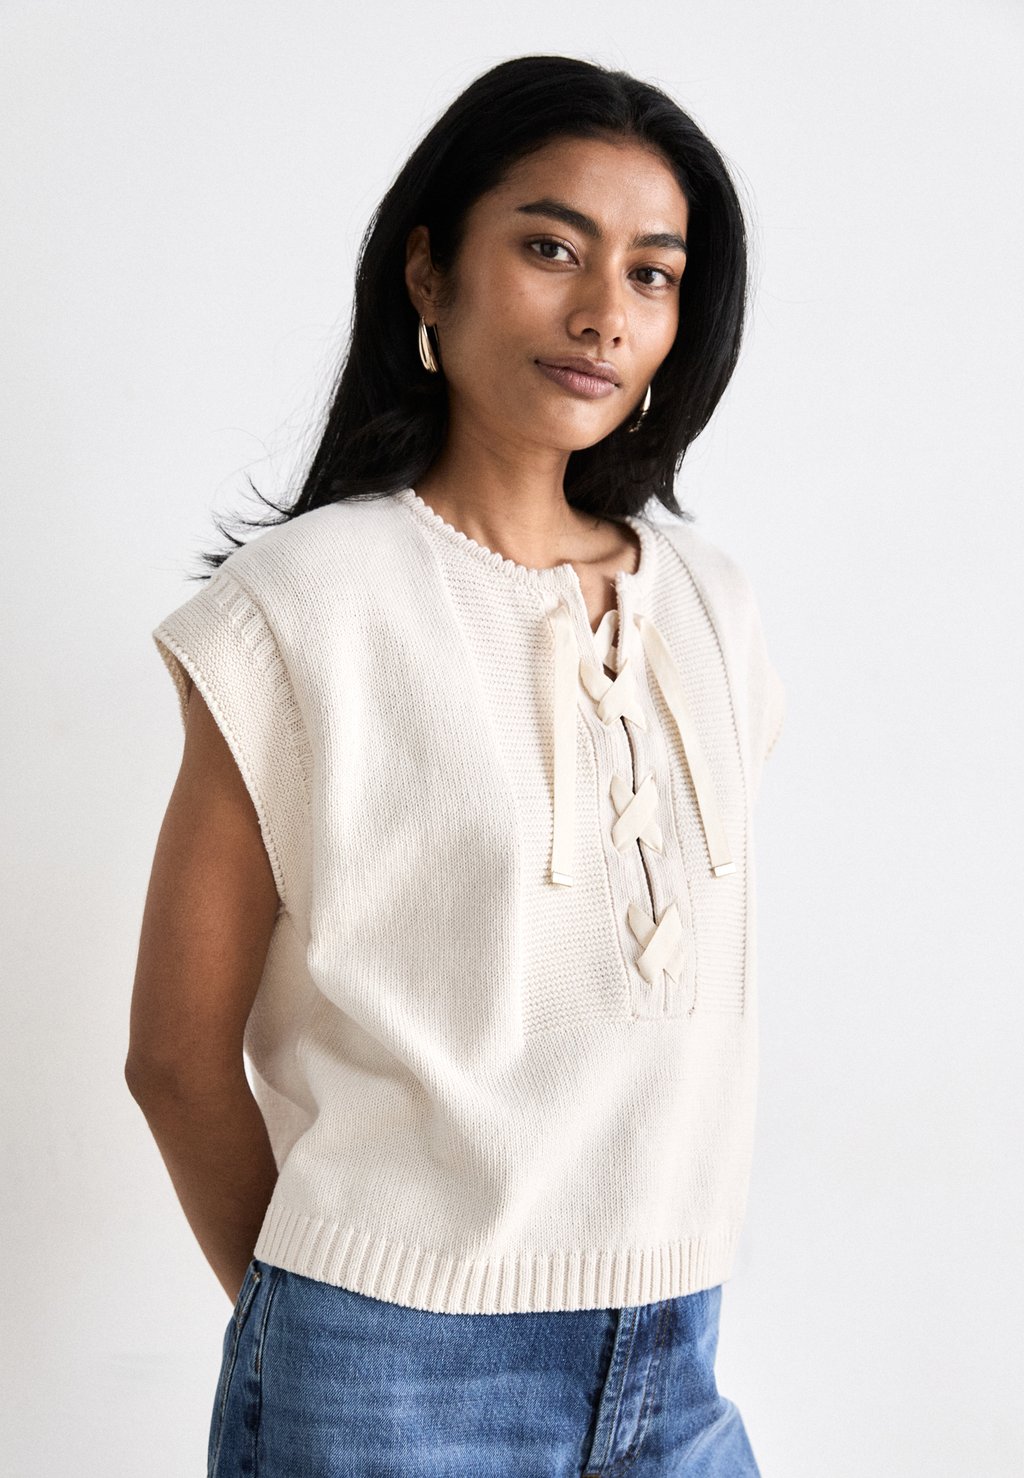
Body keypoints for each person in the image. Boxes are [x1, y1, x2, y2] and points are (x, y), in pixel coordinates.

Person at [126, 53, 784, 1478]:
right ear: (429, 272)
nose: (605, 313)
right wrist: (323, 1337)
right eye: (551, 248)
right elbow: (174, 1054)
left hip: (676, 1352)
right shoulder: (304, 605)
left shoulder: (715, 608)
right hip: (390, 1368)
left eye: (654, 274)